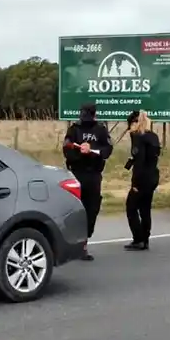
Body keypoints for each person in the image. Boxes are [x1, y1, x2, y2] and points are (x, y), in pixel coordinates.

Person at [62, 102, 113, 261]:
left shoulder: (101, 129)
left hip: (94, 174)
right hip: (77, 174)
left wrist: (91, 150)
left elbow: (108, 149)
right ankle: (73, 244)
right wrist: (79, 153)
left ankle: (84, 241)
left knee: (92, 209)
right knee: (75, 209)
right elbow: (66, 149)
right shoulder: (74, 129)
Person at [123, 110, 161, 251]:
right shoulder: (153, 137)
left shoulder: (138, 137)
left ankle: (138, 238)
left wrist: (135, 184)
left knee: (131, 207)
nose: (129, 129)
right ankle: (145, 239)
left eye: (130, 125)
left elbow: (140, 162)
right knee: (145, 209)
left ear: (135, 123)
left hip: (142, 178)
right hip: (152, 176)